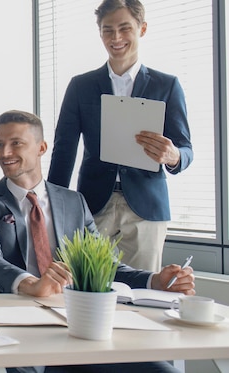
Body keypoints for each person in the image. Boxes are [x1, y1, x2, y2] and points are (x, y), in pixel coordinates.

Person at [0, 110, 194, 372]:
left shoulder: (73, 202)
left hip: (74, 326)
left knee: (162, 370)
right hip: (16, 330)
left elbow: (104, 265)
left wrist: (156, 281)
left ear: (41, 148)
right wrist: (31, 285)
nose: (5, 153)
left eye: (16, 143)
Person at [47, 0, 193, 272]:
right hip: (92, 206)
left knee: (143, 293)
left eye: (124, 28)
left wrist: (173, 156)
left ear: (142, 29)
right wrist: (53, 207)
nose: (116, 38)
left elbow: (185, 149)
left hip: (146, 208)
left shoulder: (167, 85)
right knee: (88, 288)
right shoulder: (81, 86)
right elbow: (64, 150)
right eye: (107, 30)